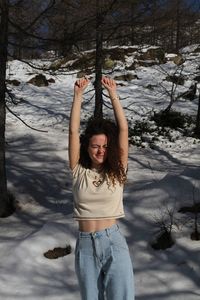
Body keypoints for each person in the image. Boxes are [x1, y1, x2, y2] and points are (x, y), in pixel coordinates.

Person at [68, 76, 134, 300]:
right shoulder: (78, 171)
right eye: (95, 146)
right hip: (85, 245)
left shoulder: (117, 171)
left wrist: (113, 95)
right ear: (87, 147)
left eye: (105, 146)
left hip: (113, 242)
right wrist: (78, 96)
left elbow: (123, 131)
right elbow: (73, 132)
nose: (100, 151)